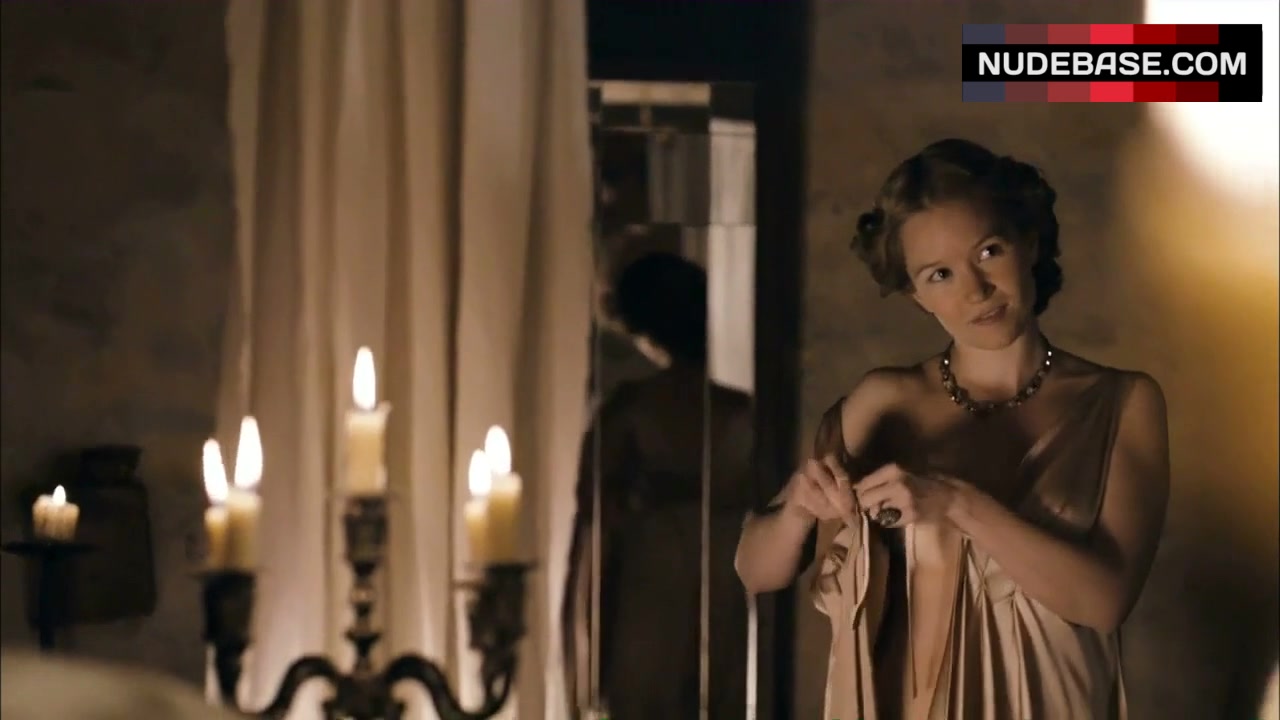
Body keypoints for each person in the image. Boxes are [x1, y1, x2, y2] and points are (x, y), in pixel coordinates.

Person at [735, 138, 1170, 719]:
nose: (975, 290)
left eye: (989, 251)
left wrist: (958, 504)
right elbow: (756, 570)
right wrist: (796, 513)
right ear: (916, 295)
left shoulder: (1121, 401)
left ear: (1029, 242)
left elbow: (1104, 601)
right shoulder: (883, 400)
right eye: (939, 274)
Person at [562, 251, 754, 720]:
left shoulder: (630, 410)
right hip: (725, 576)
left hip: (652, 583)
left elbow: (595, 513)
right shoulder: (742, 413)